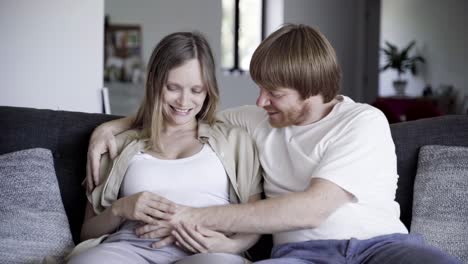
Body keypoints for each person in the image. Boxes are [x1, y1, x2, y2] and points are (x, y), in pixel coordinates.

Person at [86, 24, 461, 264]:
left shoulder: (362, 122)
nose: (261, 101)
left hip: (379, 248)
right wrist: (115, 126)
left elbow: (311, 210)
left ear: (312, 90)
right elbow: (187, 115)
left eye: (274, 93)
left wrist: (191, 216)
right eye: (260, 89)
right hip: (298, 257)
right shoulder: (257, 120)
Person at [68, 32, 262, 264]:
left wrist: (231, 246)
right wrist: (120, 209)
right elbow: (86, 233)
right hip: (130, 249)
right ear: (155, 83)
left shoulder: (234, 141)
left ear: (208, 90)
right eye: (173, 87)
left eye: (196, 90)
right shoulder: (116, 145)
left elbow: (256, 218)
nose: (183, 101)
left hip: (205, 252)